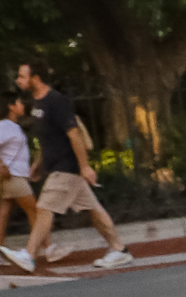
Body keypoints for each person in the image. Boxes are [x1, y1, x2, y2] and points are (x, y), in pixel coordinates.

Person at [15, 63, 132, 270]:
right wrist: (38, 163)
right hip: (58, 166)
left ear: (36, 78)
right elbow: (48, 137)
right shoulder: (37, 103)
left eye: (22, 76)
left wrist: (85, 166)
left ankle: (28, 254)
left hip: (66, 166)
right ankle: (119, 249)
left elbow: (73, 133)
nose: (18, 80)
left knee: (44, 209)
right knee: (94, 210)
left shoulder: (56, 101)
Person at [0, 91, 40, 273]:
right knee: (35, 211)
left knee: (4, 212)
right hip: (12, 176)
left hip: (15, 175)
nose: (23, 106)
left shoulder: (13, 126)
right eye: (19, 103)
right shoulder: (3, 126)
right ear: (11, 106)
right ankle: (39, 249)